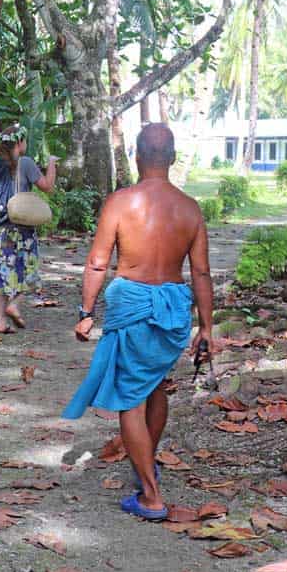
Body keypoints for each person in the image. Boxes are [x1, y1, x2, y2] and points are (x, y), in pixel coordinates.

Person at [62, 124, 214, 522]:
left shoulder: (120, 202)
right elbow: (201, 273)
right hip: (173, 309)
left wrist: (86, 311)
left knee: (130, 399)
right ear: (174, 157)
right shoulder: (190, 208)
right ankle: (145, 461)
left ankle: (150, 494)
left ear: (136, 155)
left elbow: (98, 261)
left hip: (132, 303)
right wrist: (207, 327)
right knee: (156, 386)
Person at [0, 125, 57, 334]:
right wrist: (51, 163)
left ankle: (1, 322)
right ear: (19, 142)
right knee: (26, 269)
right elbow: (47, 186)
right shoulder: (26, 163)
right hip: (21, 227)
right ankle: (14, 304)